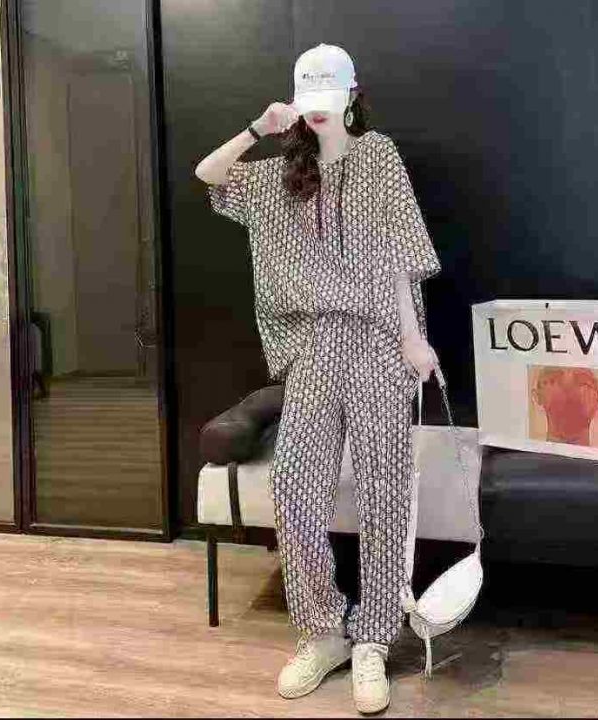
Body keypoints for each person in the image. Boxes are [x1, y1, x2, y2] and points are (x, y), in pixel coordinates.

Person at [193, 43, 442, 715]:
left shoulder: (379, 156)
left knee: (386, 492)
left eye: (331, 101)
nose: (321, 114)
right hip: (311, 347)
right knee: (294, 489)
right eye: (311, 103)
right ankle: (323, 631)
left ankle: (373, 640)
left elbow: (401, 256)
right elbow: (209, 174)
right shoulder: (280, 174)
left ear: (353, 95)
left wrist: (413, 339)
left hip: (378, 342)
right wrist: (259, 127)